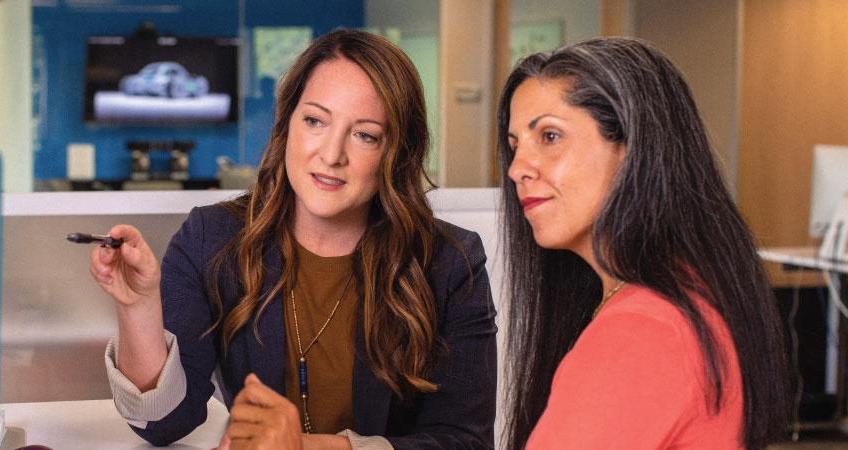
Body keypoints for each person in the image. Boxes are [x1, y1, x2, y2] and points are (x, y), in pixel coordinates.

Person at [88, 29, 496, 449]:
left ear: (397, 151)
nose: (331, 154)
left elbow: (464, 441)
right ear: (288, 125)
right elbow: (162, 424)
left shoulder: (450, 262)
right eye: (315, 121)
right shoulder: (212, 238)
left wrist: (306, 447)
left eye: (365, 134)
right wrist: (138, 308)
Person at [497, 37, 792, 449]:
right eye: (514, 146)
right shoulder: (688, 292)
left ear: (635, 149)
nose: (517, 169)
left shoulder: (643, 330)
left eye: (549, 136)